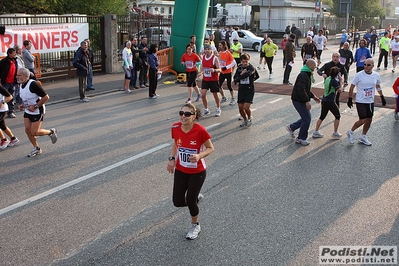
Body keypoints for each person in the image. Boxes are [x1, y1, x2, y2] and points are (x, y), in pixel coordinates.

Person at [167, 103, 214, 240]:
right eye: (181, 113)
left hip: (197, 171)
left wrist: (199, 156)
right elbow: (176, 142)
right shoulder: (175, 127)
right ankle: (195, 199)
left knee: (191, 200)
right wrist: (172, 159)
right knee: (177, 201)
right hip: (181, 170)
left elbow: (210, 148)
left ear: (194, 116)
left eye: (187, 114)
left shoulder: (200, 130)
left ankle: (195, 225)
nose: (183, 116)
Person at [17, 67, 58, 157]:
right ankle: (36, 148)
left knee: (35, 132)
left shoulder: (33, 84)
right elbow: (26, 97)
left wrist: (36, 106)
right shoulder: (21, 85)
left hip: (38, 110)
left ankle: (51, 132)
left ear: (25, 76)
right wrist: (22, 105)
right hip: (28, 110)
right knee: (28, 130)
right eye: (17, 75)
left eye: (19, 75)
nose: (17, 77)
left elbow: (46, 97)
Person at [346, 58, 386, 146]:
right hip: (360, 100)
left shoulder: (376, 75)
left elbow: (378, 86)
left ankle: (363, 136)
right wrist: (349, 99)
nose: (366, 67)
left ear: (372, 66)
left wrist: (382, 96)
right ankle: (351, 131)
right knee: (363, 119)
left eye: (368, 65)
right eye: (364, 64)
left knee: (369, 119)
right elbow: (352, 87)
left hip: (370, 101)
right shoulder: (359, 75)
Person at [286, 59, 320, 146]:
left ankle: (292, 127)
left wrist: (313, 97)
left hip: (300, 99)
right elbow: (301, 89)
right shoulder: (303, 75)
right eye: (314, 66)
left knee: (305, 118)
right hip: (298, 100)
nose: (315, 67)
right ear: (310, 65)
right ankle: (301, 138)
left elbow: (307, 89)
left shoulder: (307, 74)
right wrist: (307, 101)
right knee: (307, 119)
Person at [312, 66, 343, 139]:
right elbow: (340, 90)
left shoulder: (327, 79)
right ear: (337, 74)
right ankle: (335, 133)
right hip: (330, 101)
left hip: (324, 99)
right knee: (337, 116)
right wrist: (341, 81)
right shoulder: (334, 81)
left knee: (322, 116)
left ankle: (316, 131)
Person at [234, 53, 257, 127]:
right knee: (240, 107)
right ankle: (245, 120)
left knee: (246, 107)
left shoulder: (251, 67)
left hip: (249, 89)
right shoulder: (239, 68)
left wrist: (243, 76)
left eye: (246, 61)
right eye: (243, 62)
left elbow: (249, 74)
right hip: (241, 90)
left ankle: (250, 117)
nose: (245, 63)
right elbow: (235, 79)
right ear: (241, 61)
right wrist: (240, 75)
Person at [201, 44, 222, 117]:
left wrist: (214, 70)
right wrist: (200, 73)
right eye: (205, 49)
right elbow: (203, 67)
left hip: (213, 79)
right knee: (203, 95)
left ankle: (218, 108)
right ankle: (206, 109)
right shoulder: (203, 57)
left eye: (208, 49)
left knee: (215, 95)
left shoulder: (214, 58)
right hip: (205, 79)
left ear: (211, 50)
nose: (206, 51)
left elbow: (220, 69)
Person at [0, 84, 19, 149]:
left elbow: (9, 96)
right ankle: (13, 139)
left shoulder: (0, 87)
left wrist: (2, 102)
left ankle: (4, 140)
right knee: (2, 126)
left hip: (2, 110)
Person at [0, 47, 18, 118]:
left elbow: (16, 70)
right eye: (14, 53)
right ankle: (3, 110)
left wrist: (17, 81)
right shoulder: (3, 62)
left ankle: (11, 111)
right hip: (5, 83)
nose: (15, 54)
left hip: (12, 82)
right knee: (4, 97)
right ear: (9, 54)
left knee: (11, 97)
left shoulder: (15, 61)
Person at [218, 40, 236, 105]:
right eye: (219, 45)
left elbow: (234, 62)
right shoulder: (220, 52)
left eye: (220, 45)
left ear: (223, 46)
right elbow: (220, 62)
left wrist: (226, 67)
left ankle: (233, 98)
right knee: (218, 85)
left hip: (228, 72)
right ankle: (223, 97)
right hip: (222, 72)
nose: (219, 46)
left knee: (229, 86)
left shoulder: (228, 53)